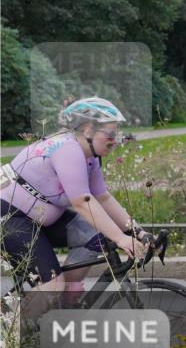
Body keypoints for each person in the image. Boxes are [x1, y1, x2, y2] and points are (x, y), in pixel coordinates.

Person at [1, 97, 149, 311]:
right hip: (9, 216)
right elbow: (82, 201)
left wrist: (139, 232)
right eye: (109, 133)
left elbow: (103, 197)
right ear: (88, 130)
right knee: (51, 284)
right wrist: (120, 238)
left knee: (94, 237)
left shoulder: (90, 156)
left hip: (37, 218)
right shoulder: (67, 148)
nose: (115, 140)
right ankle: (16, 341)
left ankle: (64, 305)